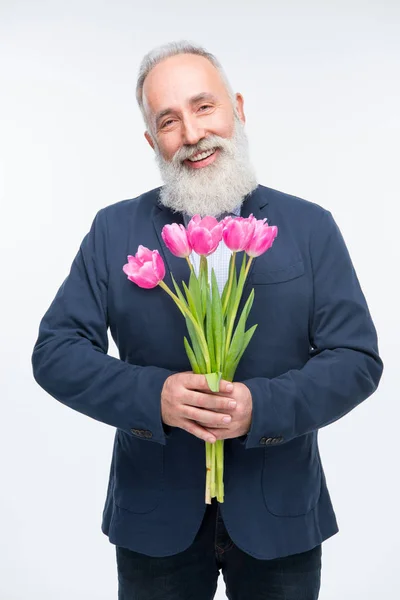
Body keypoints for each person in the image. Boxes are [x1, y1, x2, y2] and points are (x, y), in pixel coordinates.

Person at [31, 41, 383, 600]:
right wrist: (156, 397)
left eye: (204, 107)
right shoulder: (113, 230)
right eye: (168, 120)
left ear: (237, 109)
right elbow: (55, 352)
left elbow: (357, 359)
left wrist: (260, 407)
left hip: (282, 515)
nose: (192, 134)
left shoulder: (311, 227)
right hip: (153, 520)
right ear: (152, 140)